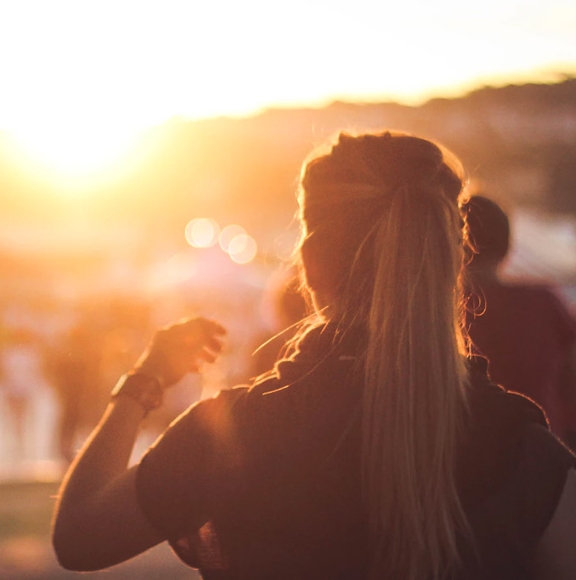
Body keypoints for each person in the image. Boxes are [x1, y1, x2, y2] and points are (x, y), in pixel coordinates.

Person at [52, 131, 576, 579]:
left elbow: (79, 538)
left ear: (310, 265)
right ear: (451, 265)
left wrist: (143, 383)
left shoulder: (236, 433)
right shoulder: (523, 448)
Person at [463, 195, 576, 445]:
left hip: (468, 458)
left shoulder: (442, 314)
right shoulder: (544, 302)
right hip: (544, 455)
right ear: (506, 245)